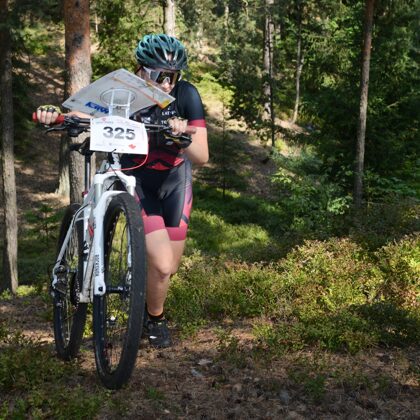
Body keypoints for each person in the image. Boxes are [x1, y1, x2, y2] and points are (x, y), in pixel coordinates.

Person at [37, 34, 209, 348]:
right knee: (162, 264)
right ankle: (153, 318)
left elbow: (202, 156)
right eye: (159, 75)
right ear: (141, 70)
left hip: (175, 182)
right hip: (137, 179)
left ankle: (149, 314)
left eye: (172, 76)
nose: (166, 83)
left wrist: (183, 137)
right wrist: (55, 114)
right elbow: (84, 113)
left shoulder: (187, 94)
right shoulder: (124, 90)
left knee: (167, 269)